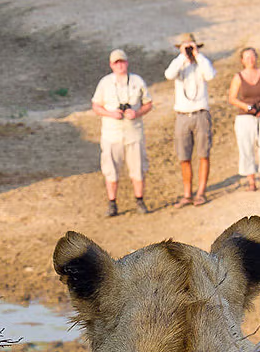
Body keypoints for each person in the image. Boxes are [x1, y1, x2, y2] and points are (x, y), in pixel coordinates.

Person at [91, 48, 154, 217]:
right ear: (111, 65)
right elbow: (96, 106)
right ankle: (112, 203)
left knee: (138, 167)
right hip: (112, 133)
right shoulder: (105, 83)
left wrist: (137, 113)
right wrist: (111, 113)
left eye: (122, 61)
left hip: (134, 132)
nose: (120, 65)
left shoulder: (137, 81)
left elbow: (148, 103)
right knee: (111, 168)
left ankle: (139, 200)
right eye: (116, 62)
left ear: (127, 62)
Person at [164, 33, 215, 206]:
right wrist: (182, 56)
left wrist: (197, 55)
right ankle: (187, 193)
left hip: (201, 113)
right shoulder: (179, 65)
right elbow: (169, 74)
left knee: (203, 154)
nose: (188, 50)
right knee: (183, 156)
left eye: (190, 46)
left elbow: (210, 75)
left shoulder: (202, 63)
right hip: (182, 115)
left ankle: (201, 192)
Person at [228, 47, 260, 190]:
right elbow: (232, 98)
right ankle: (251, 181)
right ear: (242, 61)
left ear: (256, 57)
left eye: (252, 56)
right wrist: (247, 107)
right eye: (247, 57)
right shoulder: (238, 77)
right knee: (246, 148)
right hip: (245, 117)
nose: (250, 60)